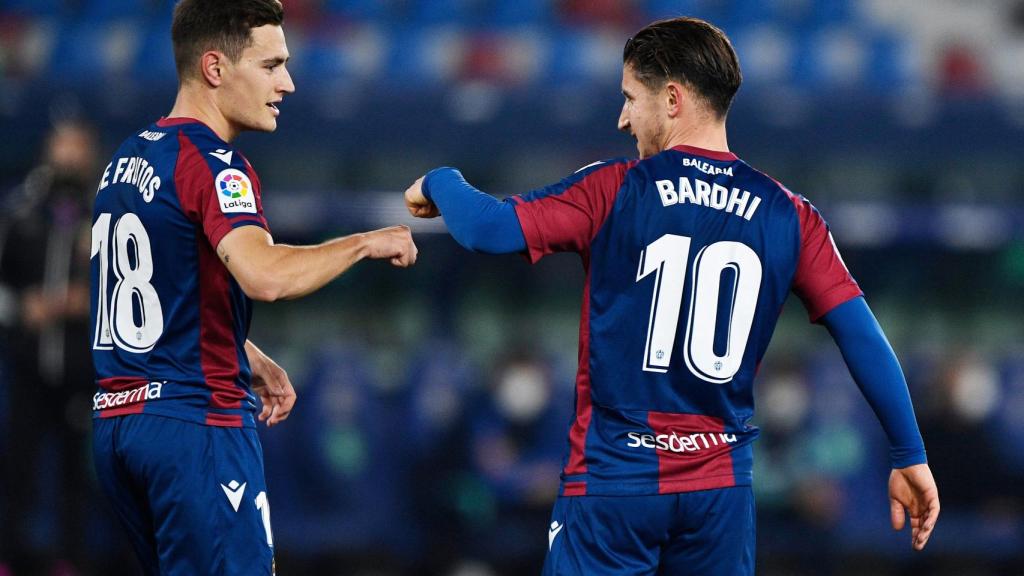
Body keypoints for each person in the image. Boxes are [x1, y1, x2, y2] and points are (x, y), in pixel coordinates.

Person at [404, 17, 939, 575]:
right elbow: (861, 335)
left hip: (615, 483)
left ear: (673, 99)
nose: (622, 118)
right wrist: (909, 454)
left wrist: (440, 180)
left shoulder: (615, 188)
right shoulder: (791, 215)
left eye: (630, 98)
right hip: (719, 495)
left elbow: (487, 230)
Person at [89, 1, 417, 574]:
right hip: (196, 426)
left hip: (119, 427)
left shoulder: (126, 158)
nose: (287, 84)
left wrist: (244, 350)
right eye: (271, 65)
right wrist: (364, 242)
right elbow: (265, 275)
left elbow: (155, 295)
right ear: (215, 68)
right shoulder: (215, 164)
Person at [0, 119, 99, 575]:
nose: (69, 157)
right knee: (16, 468)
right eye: (62, 146)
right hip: (26, 366)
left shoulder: (106, 214)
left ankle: (70, 563)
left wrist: (91, 300)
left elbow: (135, 288)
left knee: (76, 475)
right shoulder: (20, 211)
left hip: (81, 370)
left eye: (78, 147)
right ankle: (8, 559)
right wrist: (23, 307)